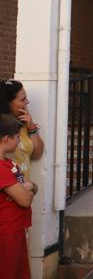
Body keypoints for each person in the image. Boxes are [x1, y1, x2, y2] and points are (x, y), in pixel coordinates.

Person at [0, 114, 35, 279]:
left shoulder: (10, 164)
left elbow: (29, 186)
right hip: (6, 233)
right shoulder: (1, 168)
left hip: (16, 229)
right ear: (6, 138)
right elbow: (25, 200)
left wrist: (30, 186)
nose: (19, 142)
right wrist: (28, 188)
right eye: (17, 138)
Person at [1, 79, 44, 178]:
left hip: (23, 187)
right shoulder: (2, 127)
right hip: (8, 188)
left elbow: (37, 154)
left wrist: (31, 127)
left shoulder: (22, 123)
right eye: (22, 99)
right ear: (7, 103)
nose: (27, 102)